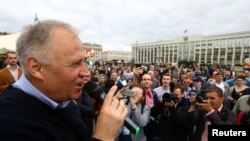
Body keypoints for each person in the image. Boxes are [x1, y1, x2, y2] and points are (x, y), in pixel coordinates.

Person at [0, 20, 128, 141]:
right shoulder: (9, 123)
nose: (86, 73)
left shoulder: (63, 100)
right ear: (36, 68)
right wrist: (104, 135)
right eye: (75, 64)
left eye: (83, 62)